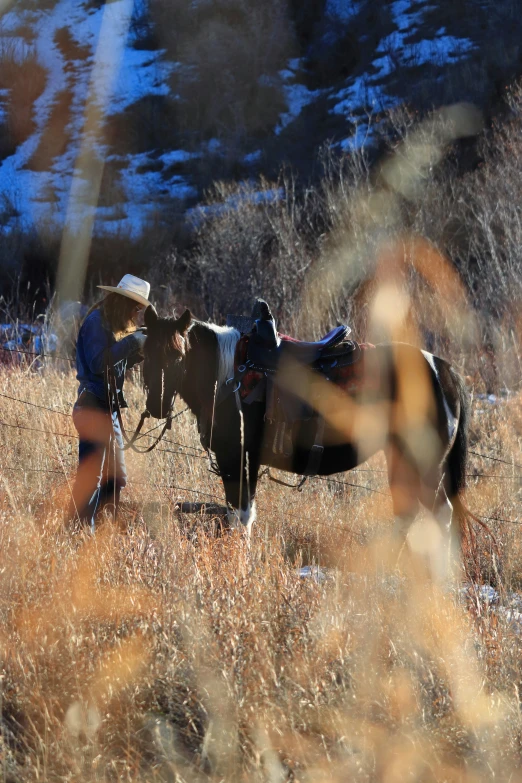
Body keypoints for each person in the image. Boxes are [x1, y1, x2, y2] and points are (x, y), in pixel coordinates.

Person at [69, 274, 151, 531]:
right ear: (122, 301)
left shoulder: (113, 324)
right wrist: (131, 343)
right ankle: (81, 535)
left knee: (117, 478)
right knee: (91, 478)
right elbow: (97, 363)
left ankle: (100, 534)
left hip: (108, 410)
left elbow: (114, 363)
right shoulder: (95, 322)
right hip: (93, 407)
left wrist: (140, 350)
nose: (136, 313)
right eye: (135, 307)